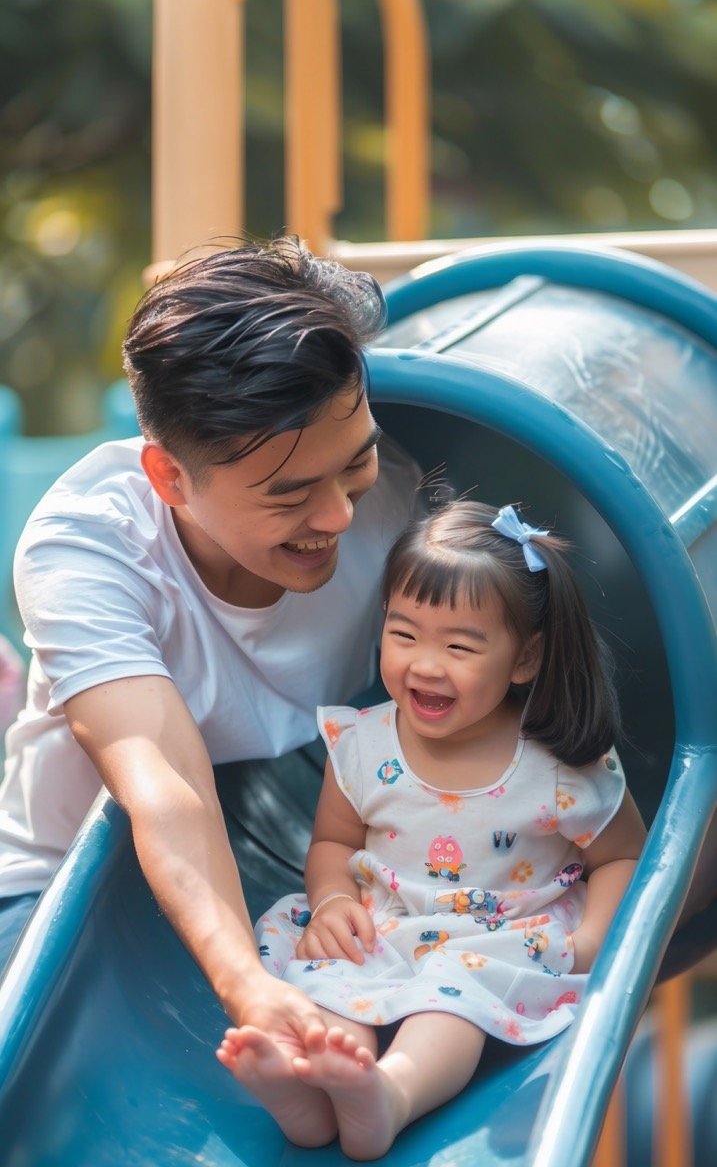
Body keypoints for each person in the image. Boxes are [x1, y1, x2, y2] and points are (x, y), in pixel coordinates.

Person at [0, 233, 420, 1073]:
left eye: (356, 464)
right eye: (290, 494)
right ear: (169, 479)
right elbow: (162, 786)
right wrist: (246, 985)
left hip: (298, 841)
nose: (338, 514)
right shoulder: (89, 546)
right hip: (70, 882)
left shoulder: (400, 489)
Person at [217, 499, 647, 1160]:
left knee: (452, 1008)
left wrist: (593, 939)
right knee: (334, 984)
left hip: (498, 941)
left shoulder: (558, 767)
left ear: (524, 658)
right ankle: (314, 1089)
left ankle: (390, 1093)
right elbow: (334, 842)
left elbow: (622, 856)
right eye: (403, 633)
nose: (423, 663)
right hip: (382, 924)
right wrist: (332, 900)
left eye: (457, 645)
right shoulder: (362, 746)